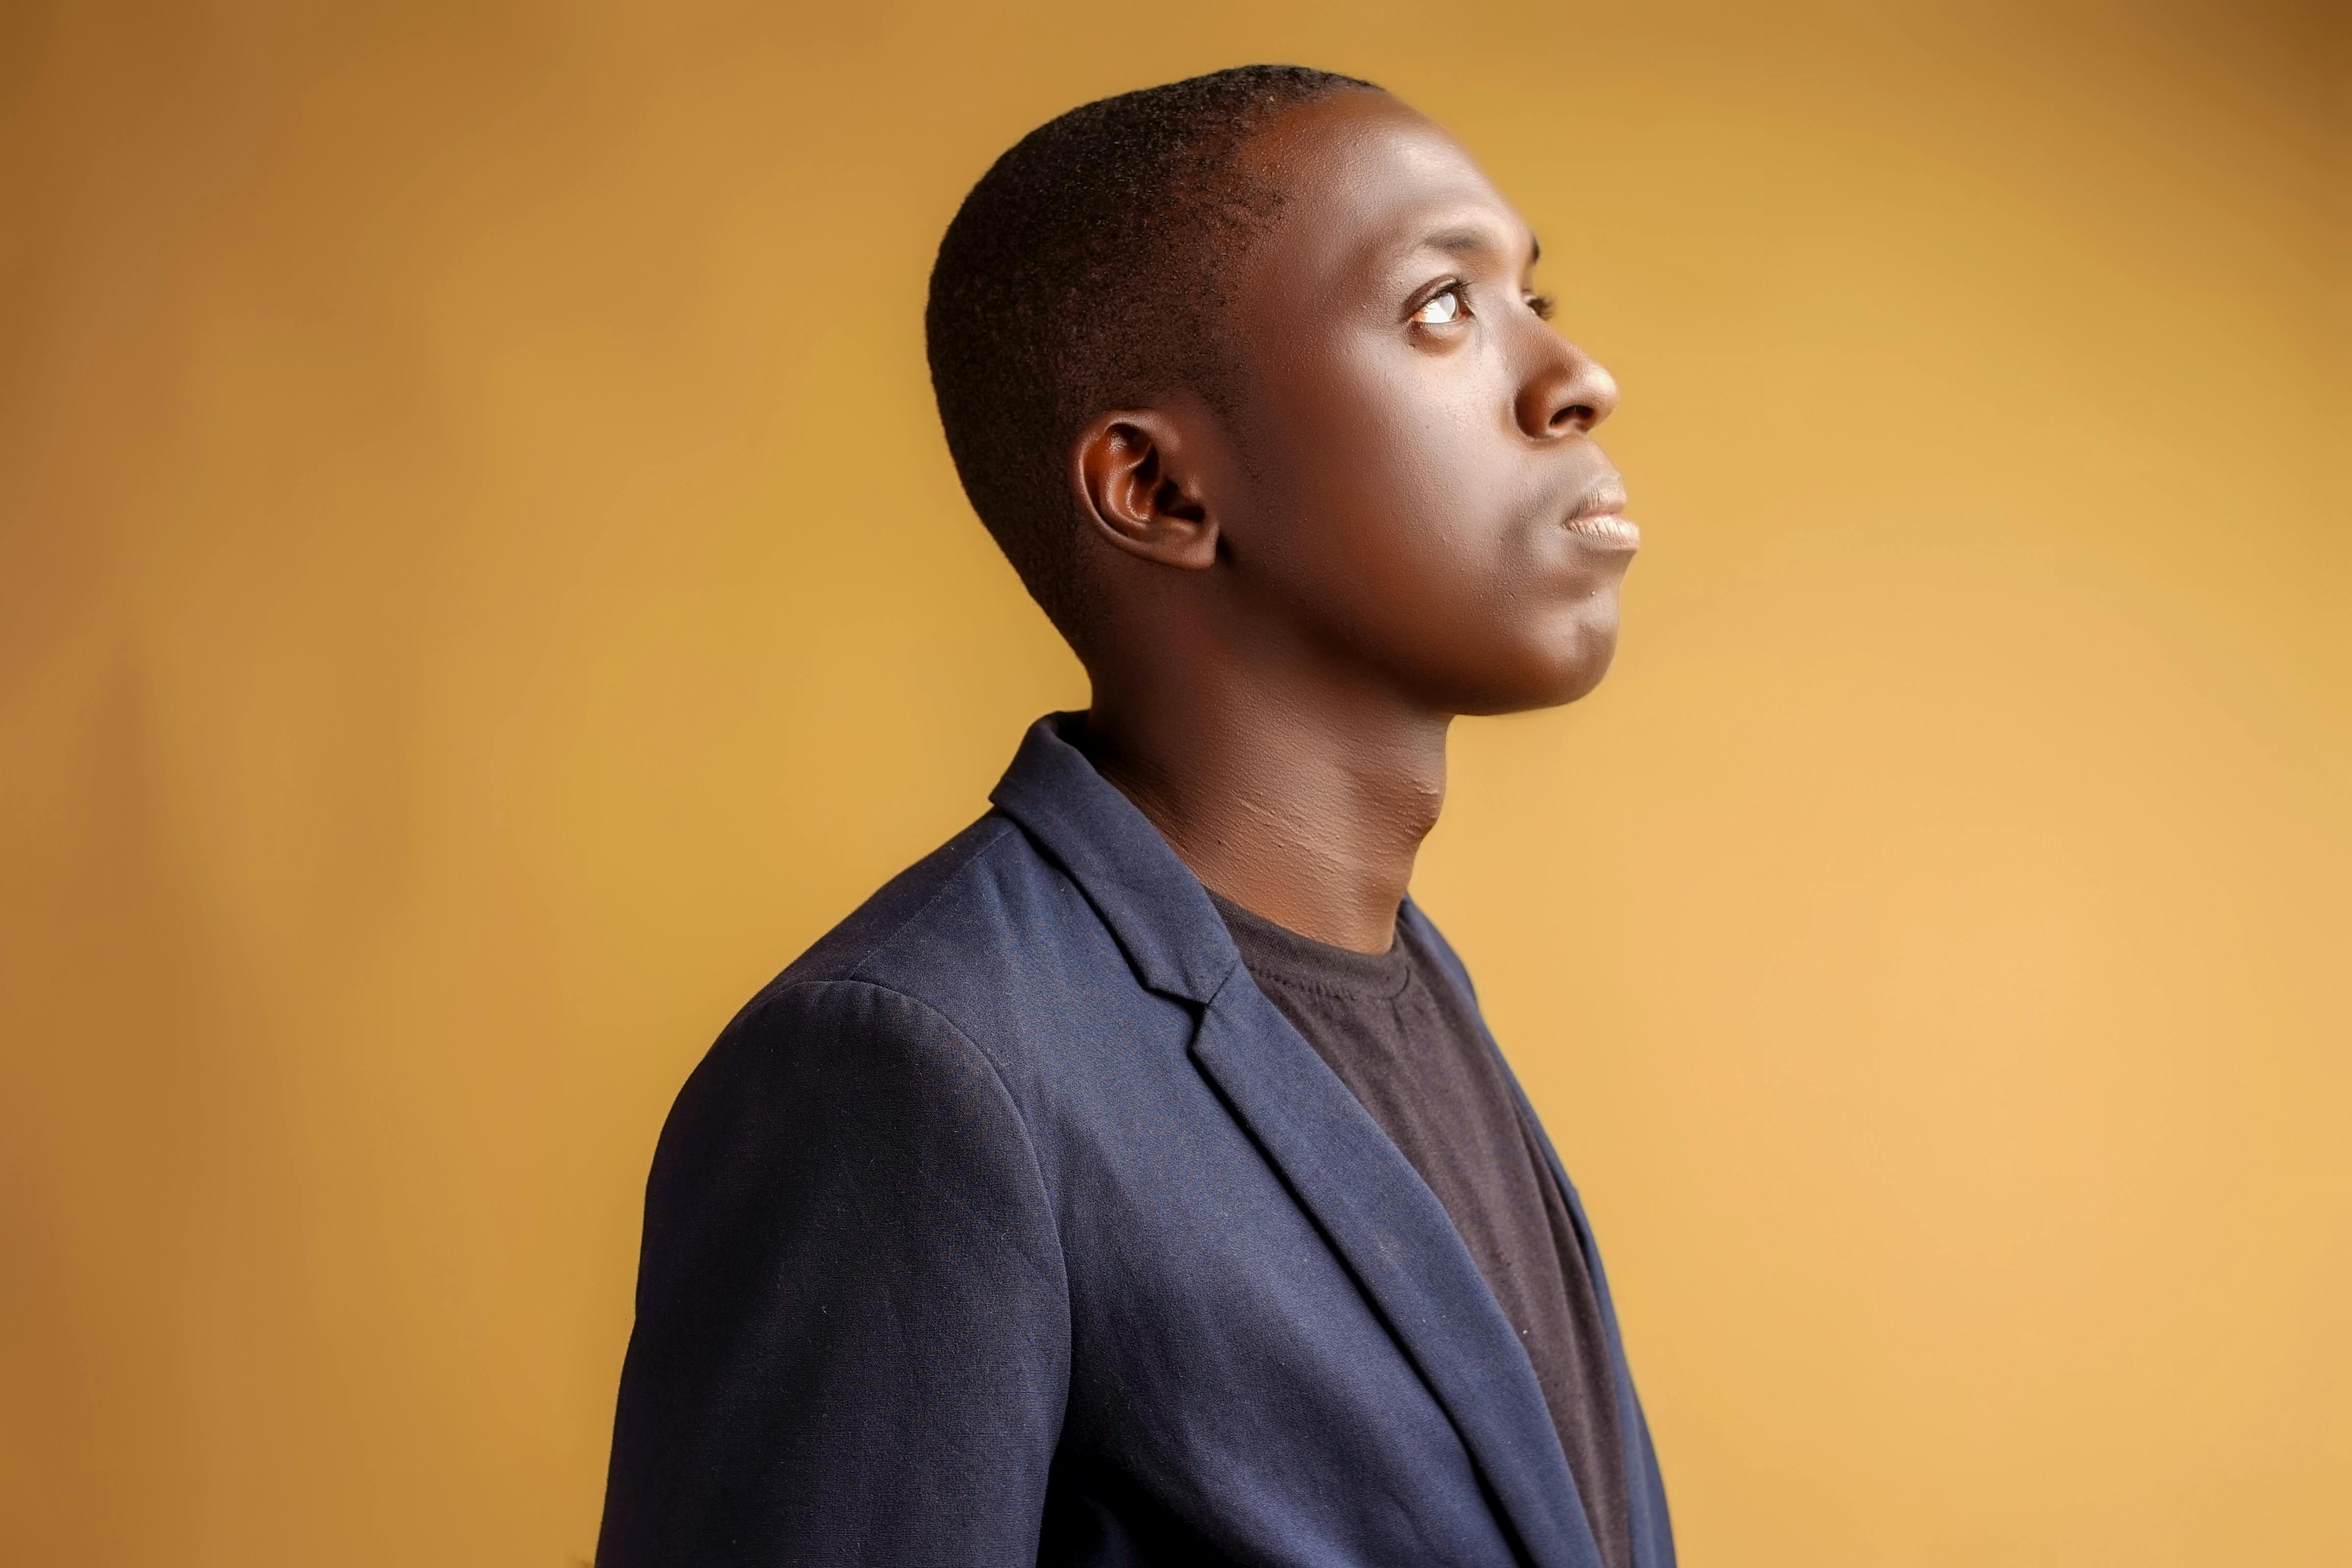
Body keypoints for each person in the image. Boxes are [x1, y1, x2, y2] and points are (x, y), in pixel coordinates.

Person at [596, 64, 1673, 1568]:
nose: (1575, 377)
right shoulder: (915, 1075)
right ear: (1159, 490)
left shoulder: (1415, 994)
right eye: (1441, 305)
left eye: (1531, 295)